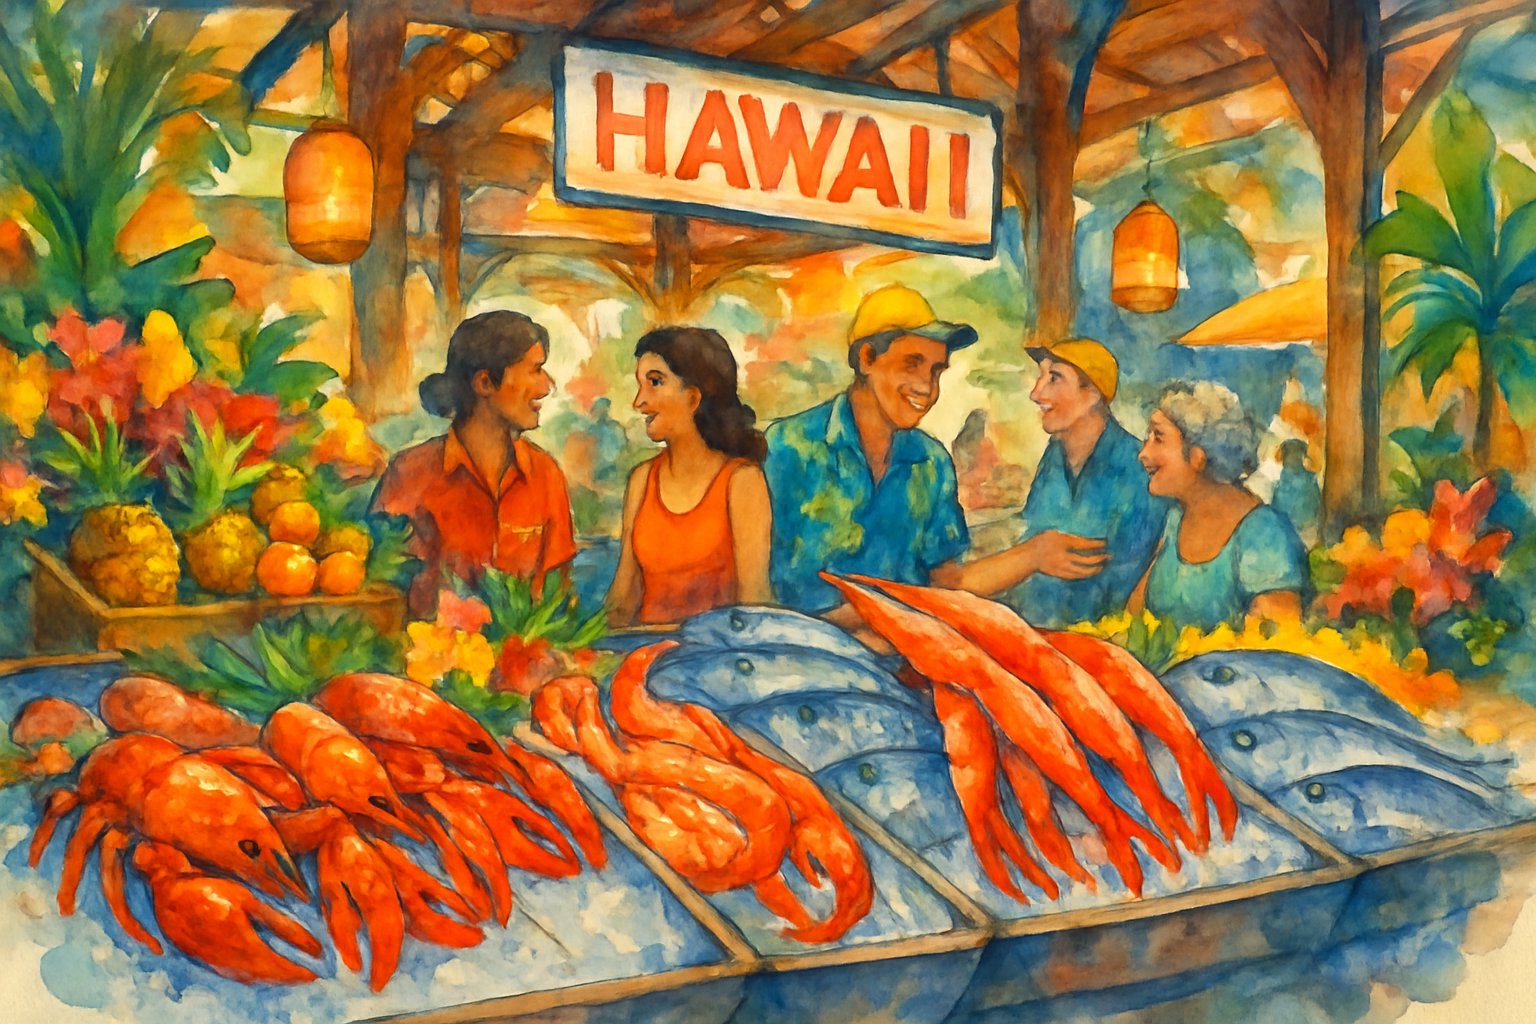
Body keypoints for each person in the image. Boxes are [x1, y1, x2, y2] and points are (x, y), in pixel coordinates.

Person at [763, 284, 974, 626]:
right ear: (866, 359)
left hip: (904, 646)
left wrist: (1033, 555)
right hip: (798, 648)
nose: (927, 387)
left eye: (936, 371)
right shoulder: (786, 447)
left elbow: (947, 582)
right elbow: (757, 592)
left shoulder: (932, 462)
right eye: (912, 364)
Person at [944, 338, 1168, 628]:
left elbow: (1126, 584)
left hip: (1091, 636)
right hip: (1028, 626)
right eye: (1041, 377)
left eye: (1054, 378)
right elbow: (1031, 530)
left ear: (1092, 394)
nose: (1036, 393)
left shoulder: (1138, 470)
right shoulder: (1055, 456)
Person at [374, 310, 577, 617]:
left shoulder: (545, 474)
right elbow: (382, 594)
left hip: (524, 648)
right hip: (427, 646)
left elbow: (558, 602)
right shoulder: (410, 474)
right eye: (535, 370)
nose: (546, 387)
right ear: (484, 383)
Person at [606, 326, 772, 625]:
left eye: (655, 382)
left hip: (717, 650)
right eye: (640, 385)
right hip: (643, 649)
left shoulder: (741, 481)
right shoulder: (641, 480)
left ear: (693, 398)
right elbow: (622, 602)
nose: (638, 402)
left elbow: (754, 607)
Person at [1132, 380, 1307, 630]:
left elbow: (1274, 642)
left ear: (1197, 457)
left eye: (1158, 438)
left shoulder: (1264, 533)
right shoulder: (1175, 519)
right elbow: (1132, 620)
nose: (1143, 454)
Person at [1271, 437, 1322, 548]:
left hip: (1289, 536)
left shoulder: (1279, 487)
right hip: (1308, 534)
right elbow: (1318, 507)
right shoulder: (1311, 480)